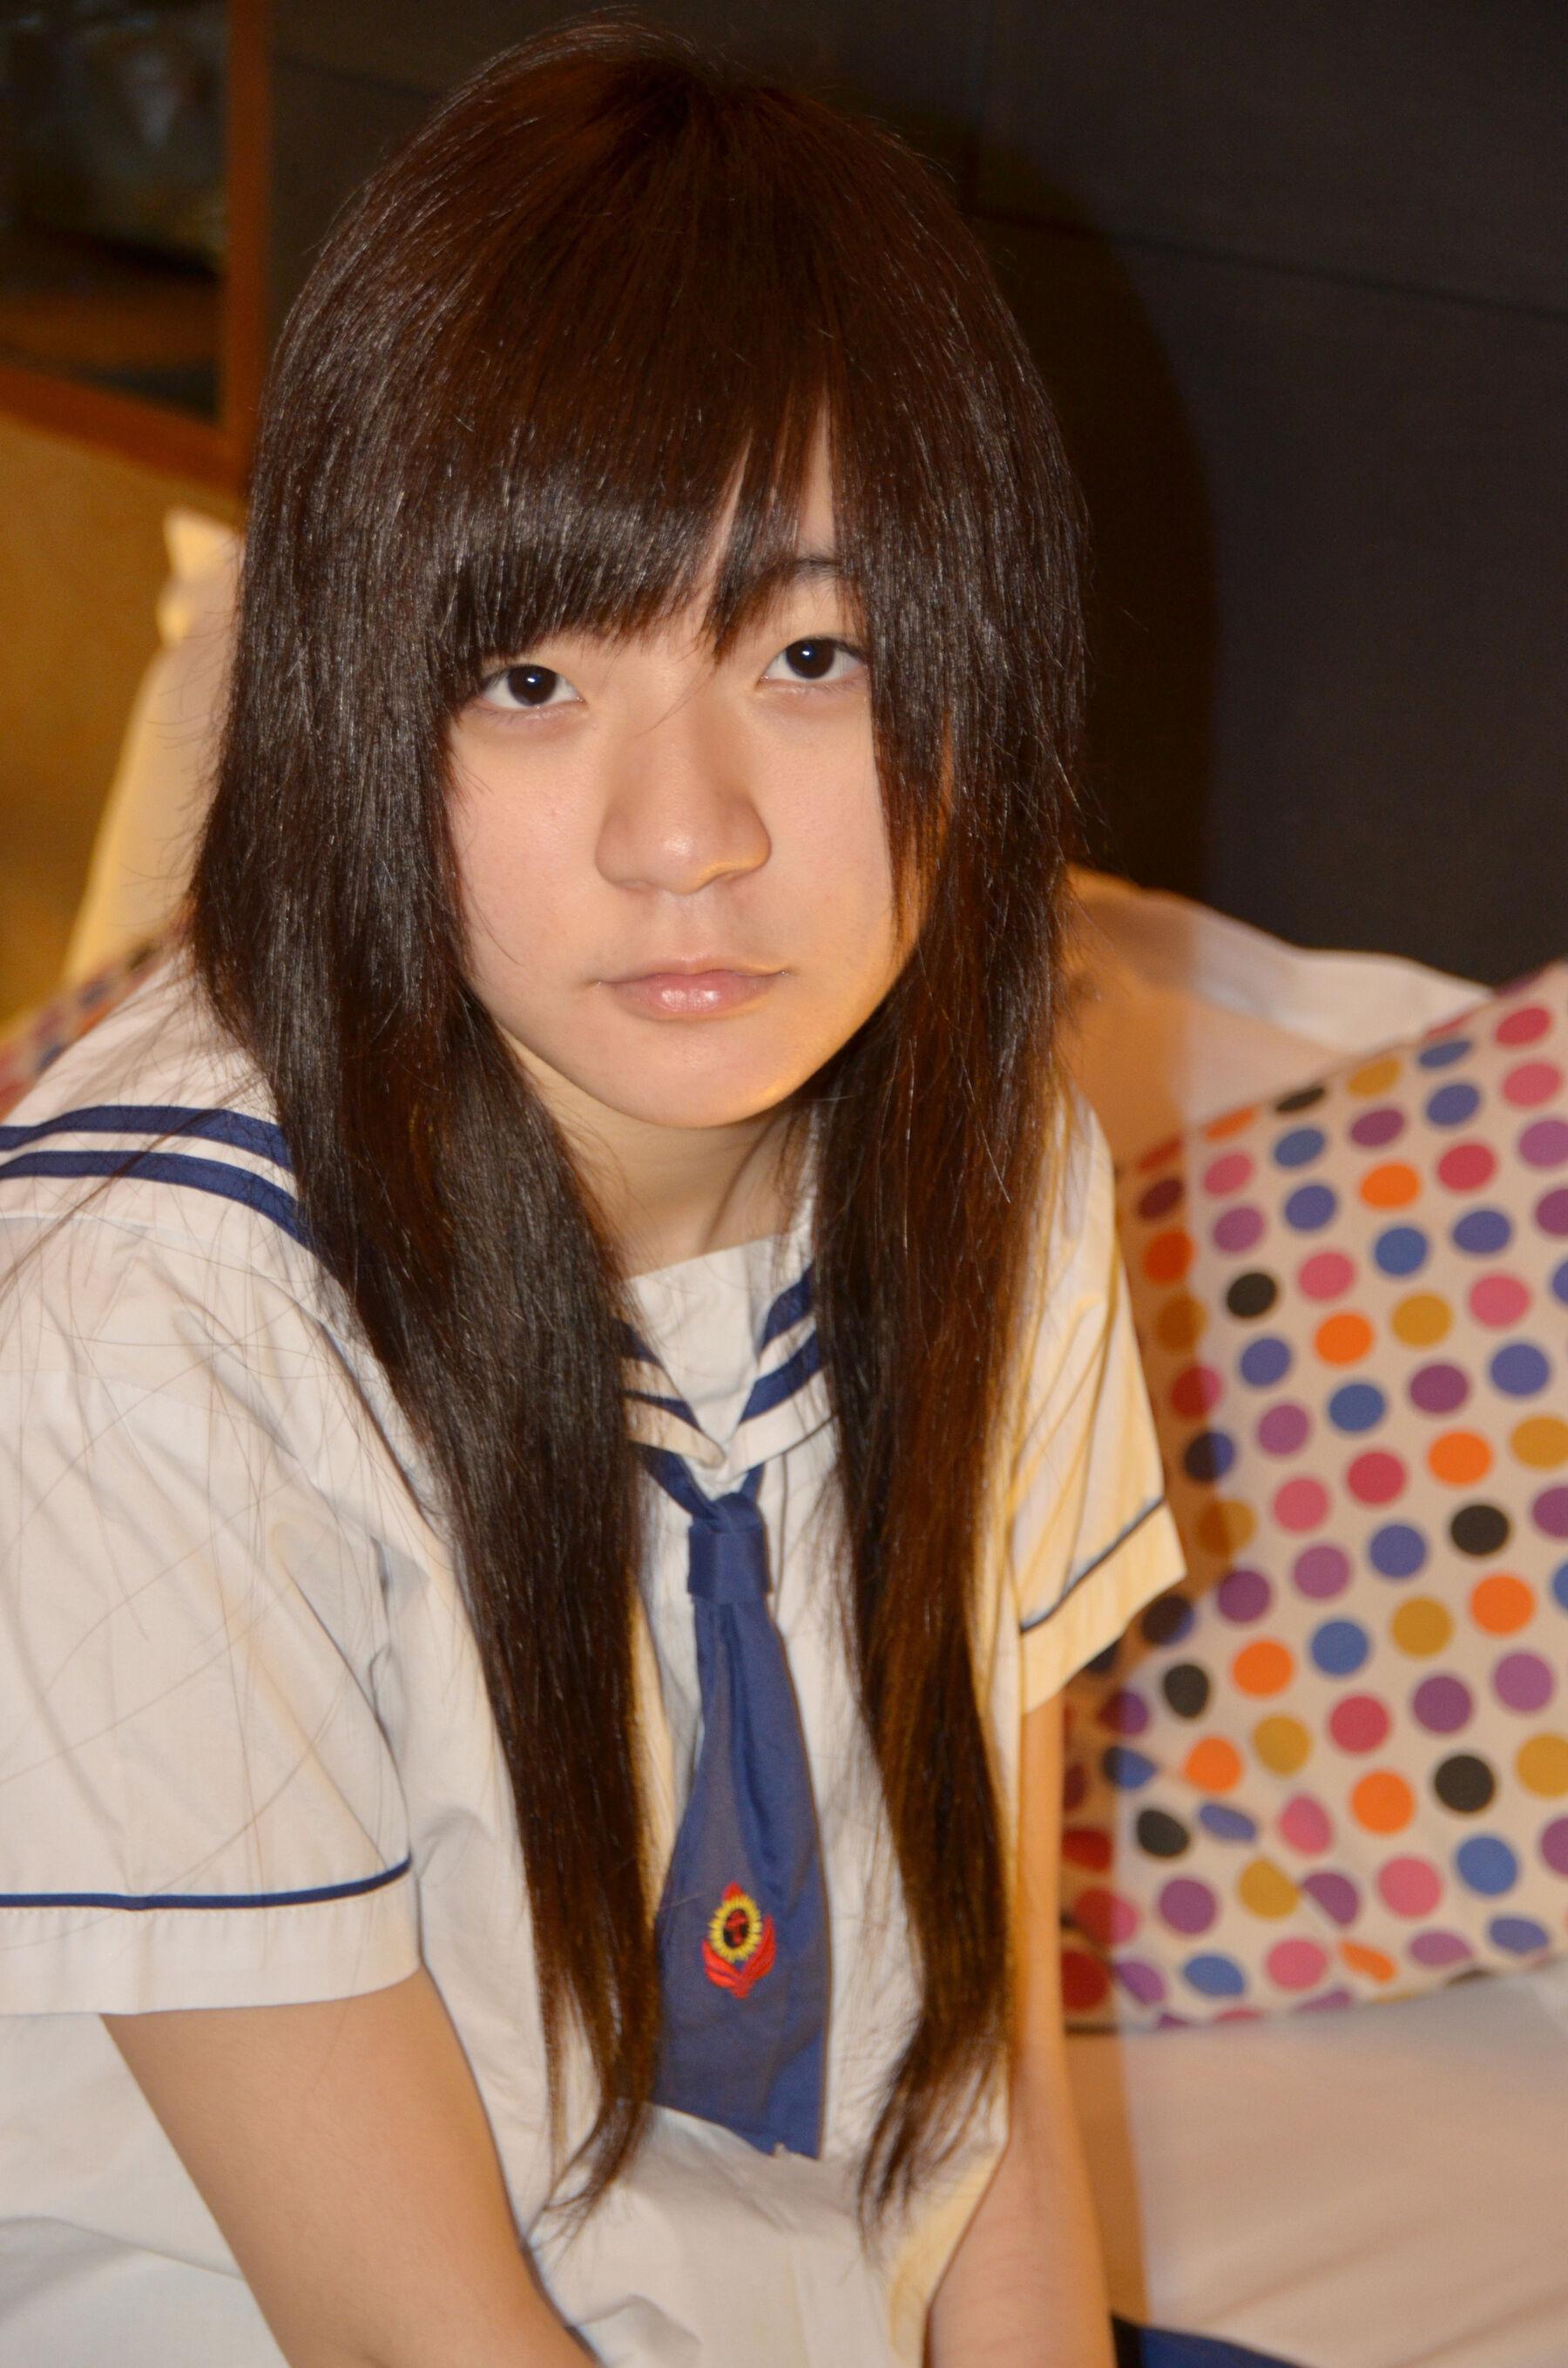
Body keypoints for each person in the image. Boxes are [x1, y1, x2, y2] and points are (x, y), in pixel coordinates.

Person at [0, 22, 1185, 2366]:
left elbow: (985, 2109)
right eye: (531, 679)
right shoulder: (145, 1331)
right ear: (354, 699)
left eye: (814, 655)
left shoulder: (994, 1173)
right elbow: (410, 2339)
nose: (688, 836)